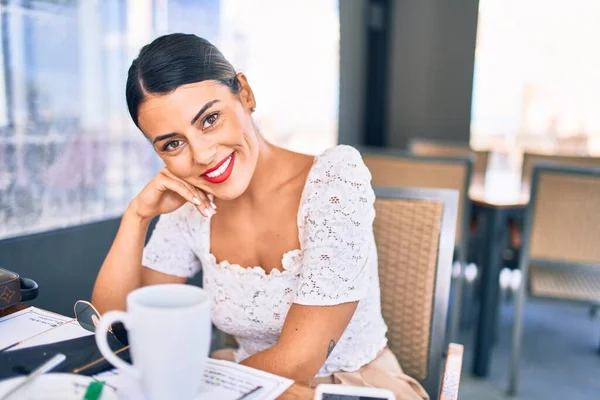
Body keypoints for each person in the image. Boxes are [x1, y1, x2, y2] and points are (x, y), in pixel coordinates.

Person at [92, 33, 428, 399]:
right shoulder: (191, 203)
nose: (202, 155)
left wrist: (186, 385)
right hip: (245, 386)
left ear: (246, 94)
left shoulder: (335, 180)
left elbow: (299, 362)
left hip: (347, 387)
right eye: (173, 144)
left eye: (210, 119)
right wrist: (137, 216)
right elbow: (117, 332)